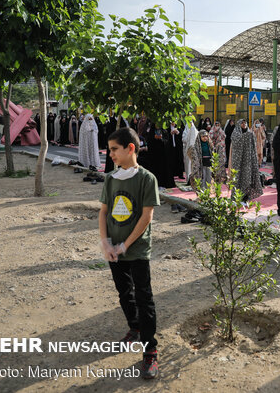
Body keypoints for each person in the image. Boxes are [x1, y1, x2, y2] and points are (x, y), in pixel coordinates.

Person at [99, 127, 160, 379]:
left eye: (114, 149)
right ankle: (134, 328)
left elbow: (147, 215)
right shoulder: (110, 179)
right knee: (124, 292)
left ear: (130, 148)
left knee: (143, 297)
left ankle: (150, 352)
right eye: (109, 149)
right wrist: (105, 242)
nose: (110, 153)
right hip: (114, 250)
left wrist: (126, 245)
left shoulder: (147, 179)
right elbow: (103, 212)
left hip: (136, 250)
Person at [229, 119, 263, 202]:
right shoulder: (236, 134)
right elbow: (235, 144)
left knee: (247, 177)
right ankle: (236, 197)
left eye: (245, 123)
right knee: (237, 178)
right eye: (242, 123)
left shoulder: (250, 134)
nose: (244, 124)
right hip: (238, 161)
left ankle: (245, 197)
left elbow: (253, 146)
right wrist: (243, 137)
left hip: (248, 160)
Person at [182, 120, 198, 185]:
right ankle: (188, 179)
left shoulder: (195, 130)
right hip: (187, 150)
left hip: (194, 151)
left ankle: (193, 180)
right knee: (188, 165)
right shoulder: (186, 131)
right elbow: (183, 139)